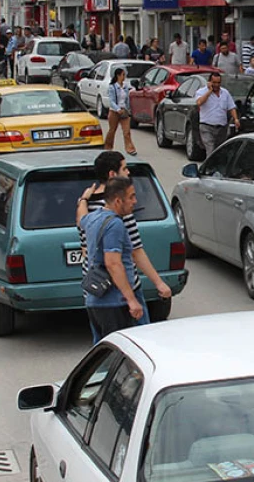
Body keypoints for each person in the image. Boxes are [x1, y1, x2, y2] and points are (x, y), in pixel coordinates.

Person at [76, 152, 172, 344]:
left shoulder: (91, 210)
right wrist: (155, 285)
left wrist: (83, 200)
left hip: (94, 292)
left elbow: (81, 223)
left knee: (103, 348)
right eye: (125, 168)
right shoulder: (119, 214)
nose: (128, 172)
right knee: (134, 347)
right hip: (118, 294)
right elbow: (129, 255)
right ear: (113, 175)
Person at [78, 177, 147, 340]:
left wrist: (83, 199)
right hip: (114, 303)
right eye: (131, 197)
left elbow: (81, 218)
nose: (135, 201)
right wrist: (131, 300)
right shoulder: (115, 225)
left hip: (95, 301)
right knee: (121, 355)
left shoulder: (94, 217)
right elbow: (113, 263)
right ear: (117, 200)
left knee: (104, 352)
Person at [195, 72, 240, 157]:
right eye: (214, 82)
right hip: (207, 127)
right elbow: (199, 102)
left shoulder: (225, 93)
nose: (216, 85)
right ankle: (210, 169)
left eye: (218, 83)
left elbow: (231, 107)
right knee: (210, 149)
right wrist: (209, 91)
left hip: (221, 128)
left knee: (220, 150)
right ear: (209, 82)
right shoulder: (201, 92)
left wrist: (236, 119)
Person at [104, 68, 137, 155]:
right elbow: (111, 101)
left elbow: (127, 99)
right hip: (115, 112)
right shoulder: (113, 87)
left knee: (127, 131)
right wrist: (117, 109)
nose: (124, 77)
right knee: (112, 130)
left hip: (124, 111)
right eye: (123, 75)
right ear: (118, 75)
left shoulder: (125, 86)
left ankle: (130, 148)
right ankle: (108, 147)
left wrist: (128, 109)